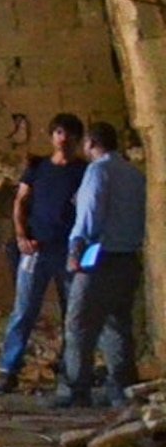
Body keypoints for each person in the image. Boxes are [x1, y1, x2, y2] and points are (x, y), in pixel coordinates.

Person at [56, 121, 147, 408]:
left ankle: (76, 390)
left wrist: (76, 249)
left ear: (91, 144)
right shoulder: (135, 174)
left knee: (79, 323)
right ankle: (122, 389)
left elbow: (90, 215)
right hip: (128, 259)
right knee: (117, 324)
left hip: (100, 258)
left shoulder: (98, 170)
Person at [0, 113, 90, 393]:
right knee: (23, 311)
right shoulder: (38, 168)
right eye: (59, 132)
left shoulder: (84, 172)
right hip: (36, 249)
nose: (64, 139)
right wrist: (21, 235)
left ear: (77, 140)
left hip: (68, 252)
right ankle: (8, 370)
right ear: (52, 136)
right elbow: (21, 201)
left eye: (70, 134)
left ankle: (68, 369)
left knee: (72, 314)